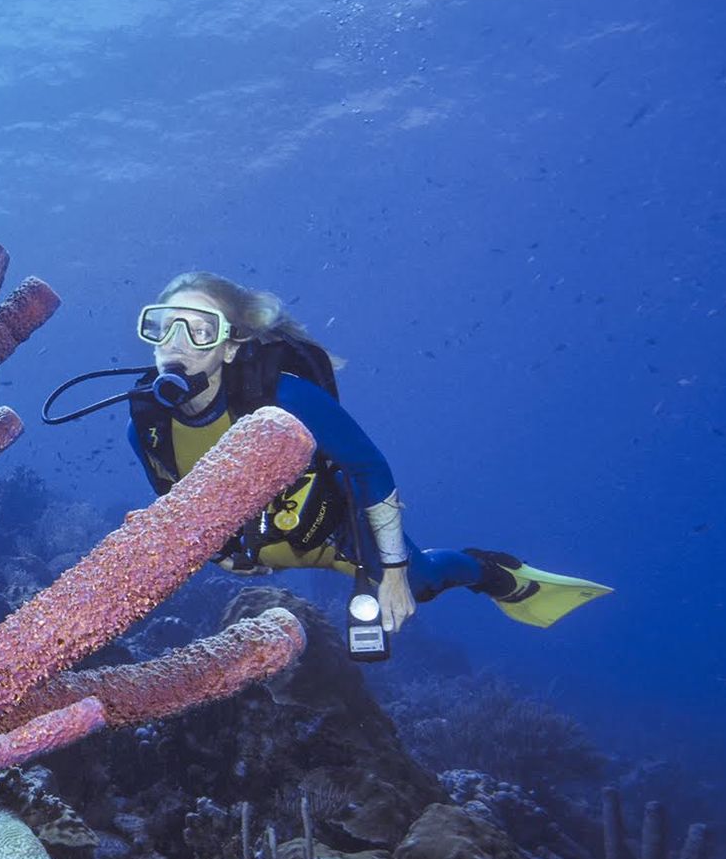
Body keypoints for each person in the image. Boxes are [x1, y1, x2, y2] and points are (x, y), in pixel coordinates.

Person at [126, 271, 609, 632]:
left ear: (230, 347)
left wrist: (395, 573)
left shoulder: (284, 395)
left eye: (201, 330)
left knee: (419, 585)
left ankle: (488, 569)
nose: (178, 343)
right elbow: (178, 504)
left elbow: (369, 467)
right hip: (260, 547)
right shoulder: (145, 427)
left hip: (334, 530)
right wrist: (223, 556)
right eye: (165, 326)